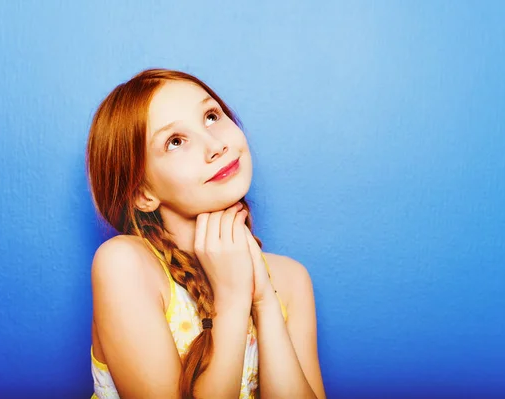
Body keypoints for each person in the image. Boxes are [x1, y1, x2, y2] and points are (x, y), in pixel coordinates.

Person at [85, 68, 326, 399]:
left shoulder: (291, 280)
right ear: (142, 193)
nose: (215, 146)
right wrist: (231, 301)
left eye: (212, 116)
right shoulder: (125, 265)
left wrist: (263, 300)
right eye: (175, 142)